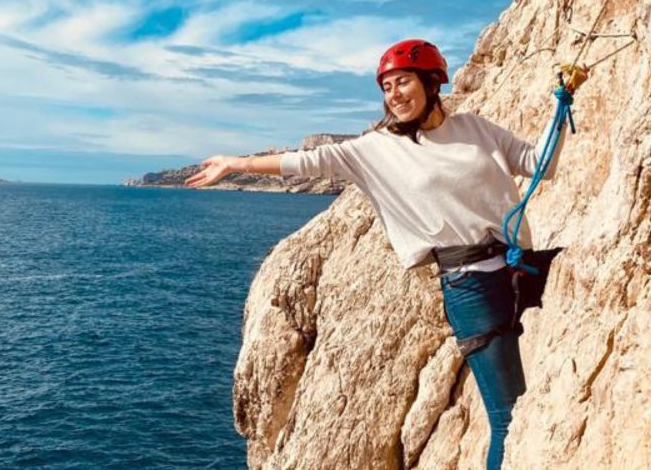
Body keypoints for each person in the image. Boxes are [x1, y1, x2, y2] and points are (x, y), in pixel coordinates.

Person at [184, 39, 574, 470]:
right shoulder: (377, 148)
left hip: (519, 266)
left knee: (537, 389)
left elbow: (540, 165)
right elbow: (306, 161)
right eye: (387, 87)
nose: (394, 94)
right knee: (507, 415)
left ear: (431, 83)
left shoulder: (477, 129)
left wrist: (563, 105)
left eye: (403, 82)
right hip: (470, 285)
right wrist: (235, 163)